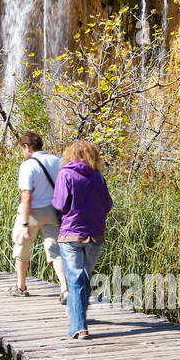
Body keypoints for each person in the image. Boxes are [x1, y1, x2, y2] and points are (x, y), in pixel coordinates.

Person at [51, 139, 112, 340]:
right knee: (84, 278)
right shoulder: (98, 177)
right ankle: (77, 317)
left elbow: (60, 204)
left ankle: (79, 326)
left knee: (76, 280)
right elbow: (107, 205)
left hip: (71, 234)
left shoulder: (65, 174)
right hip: (95, 234)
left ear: (70, 154)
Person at [9, 131, 68, 299]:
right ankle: (64, 288)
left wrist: (26, 223)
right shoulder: (58, 161)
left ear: (27, 147)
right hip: (53, 212)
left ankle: (21, 287)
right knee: (56, 252)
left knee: (21, 248)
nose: (23, 152)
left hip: (33, 213)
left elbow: (26, 195)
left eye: (23, 148)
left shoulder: (28, 165)